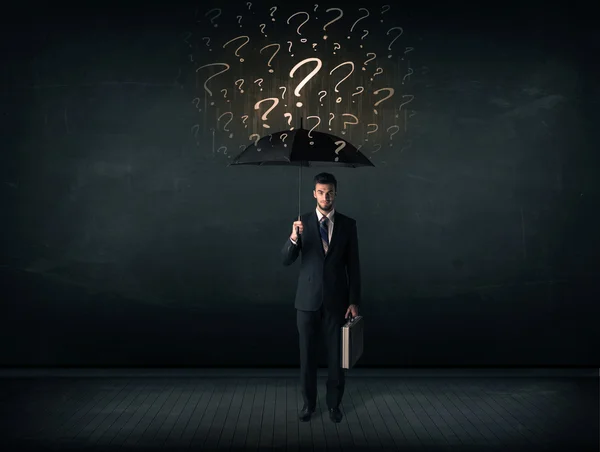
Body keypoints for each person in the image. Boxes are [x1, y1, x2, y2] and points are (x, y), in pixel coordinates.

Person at [282, 172, 361, 424]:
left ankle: (334, 405)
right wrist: (294, 237)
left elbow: (354, 266)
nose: (325, 197)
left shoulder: (348, 225)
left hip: (337, 303)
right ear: (314, 193)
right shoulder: (302, 222)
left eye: (329, 192)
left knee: (336, 358)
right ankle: (308, 405)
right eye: (321, 192)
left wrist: (353, 300)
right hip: (306, 303)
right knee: (307, 358)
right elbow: (286, 260)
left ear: (335, 193)